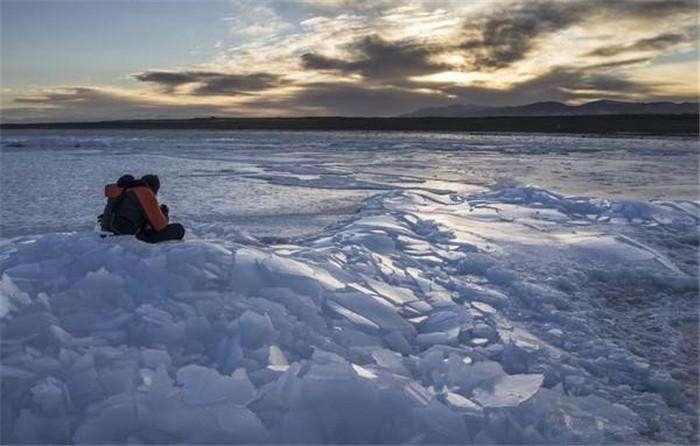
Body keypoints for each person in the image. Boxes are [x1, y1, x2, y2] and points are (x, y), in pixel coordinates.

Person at [99, 174, 185, 243]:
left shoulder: (123, 190)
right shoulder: (145, 192)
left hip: (107, 230)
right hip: (123, 234)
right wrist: (165, 213)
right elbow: (160, 226)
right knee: (179, 229)